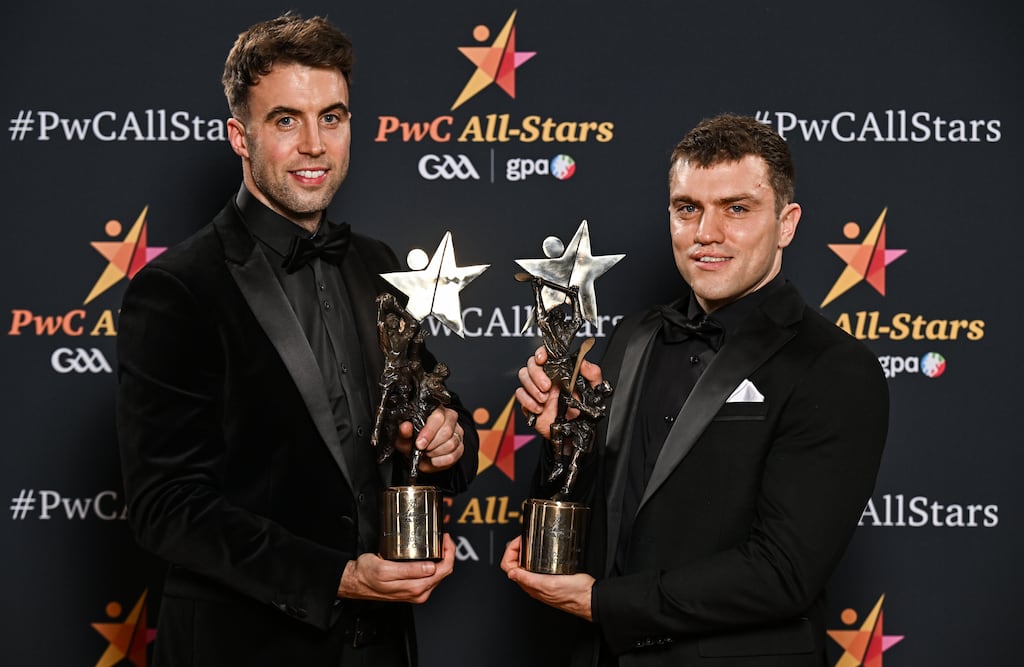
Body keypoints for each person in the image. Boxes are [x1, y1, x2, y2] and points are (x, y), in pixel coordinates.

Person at [115, 13, 478, 667]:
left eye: (331, 117)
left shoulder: (378, 263)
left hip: (381, 649)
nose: (314, 144)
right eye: (286, 120)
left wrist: (447, 439)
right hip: (246, 649)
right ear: (240, 136)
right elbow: (166, 507)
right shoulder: (177, 288)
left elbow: (432, 406)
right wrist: (337, 576)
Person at [503, 113, 888, 666]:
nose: (707, 233)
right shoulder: (630, 338)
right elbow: (601, 509)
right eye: (688, 209)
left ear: (787, 223)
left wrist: (605, 603)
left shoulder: (834, 367)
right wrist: (564, 440)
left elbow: (783, 573)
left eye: (737, 209)